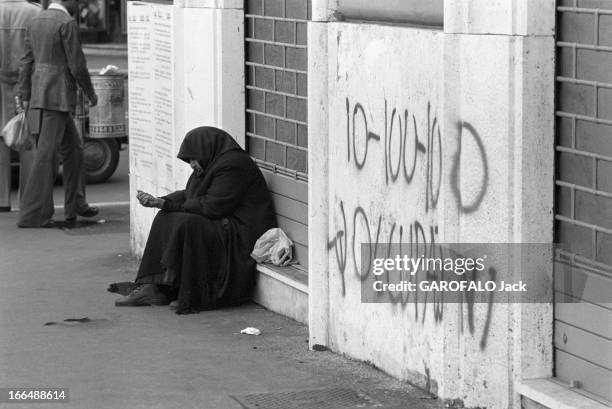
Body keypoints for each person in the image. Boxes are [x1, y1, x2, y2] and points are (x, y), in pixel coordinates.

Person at [115, 127, 277, 314]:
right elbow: (191, 195)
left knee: (188, 224)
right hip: (224, 221)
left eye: (193, 159)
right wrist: (162, 201)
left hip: (241, 232)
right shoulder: (211, 163)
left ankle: (192, 293)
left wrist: (167, 204)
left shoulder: (234, 165)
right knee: (165, 217)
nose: (192, 164)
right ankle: (158, 286)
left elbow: (213, 206)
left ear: (205, 150)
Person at [14, 0, 99, 228]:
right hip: (59, 96)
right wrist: (91, 94)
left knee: (74, 150)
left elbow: (26, 61)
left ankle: (76, 206)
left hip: (41, 94)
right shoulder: (67, 23)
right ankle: (33, 214)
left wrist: (24, 92)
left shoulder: (35, 21)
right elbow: (77, 64)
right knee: (46, 156)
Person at [0, 0, 40, 212]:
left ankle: (2, 200)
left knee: (0, 142)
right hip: (28, 84)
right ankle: (27, 200)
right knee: (27, 141)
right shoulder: (34, 12)